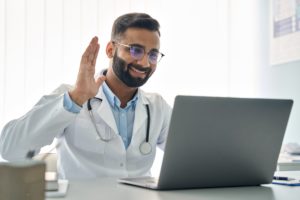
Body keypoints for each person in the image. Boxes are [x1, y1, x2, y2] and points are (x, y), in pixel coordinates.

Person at [0, 13, 172, 179]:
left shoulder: (157, 107)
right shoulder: (71, 96)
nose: (144, 62)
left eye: (153, 54)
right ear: (111, 50)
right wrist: (75, 99)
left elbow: (191, 157)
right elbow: (10, 150)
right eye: (135, 50)